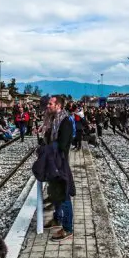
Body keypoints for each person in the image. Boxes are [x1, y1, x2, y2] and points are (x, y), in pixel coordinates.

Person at [42, 95, 75, 241]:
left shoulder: (65, 122)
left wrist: (49, 146)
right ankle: (57, 219)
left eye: (50, 104)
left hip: (60, 162)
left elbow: (62, 145)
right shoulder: (53, 120)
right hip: (53, 161)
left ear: (58, 106)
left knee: (64, 195)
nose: (48, 106)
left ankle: (68, 228)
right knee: (55, 193)